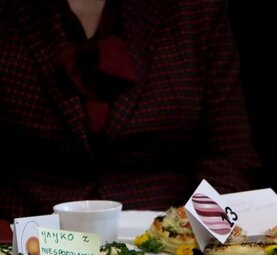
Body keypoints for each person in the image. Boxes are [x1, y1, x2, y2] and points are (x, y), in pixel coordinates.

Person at [0, 0, 260, 219]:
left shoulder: (195, 9)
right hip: (25, 237)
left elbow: (230, 158)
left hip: (166, 236)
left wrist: (195, 238)